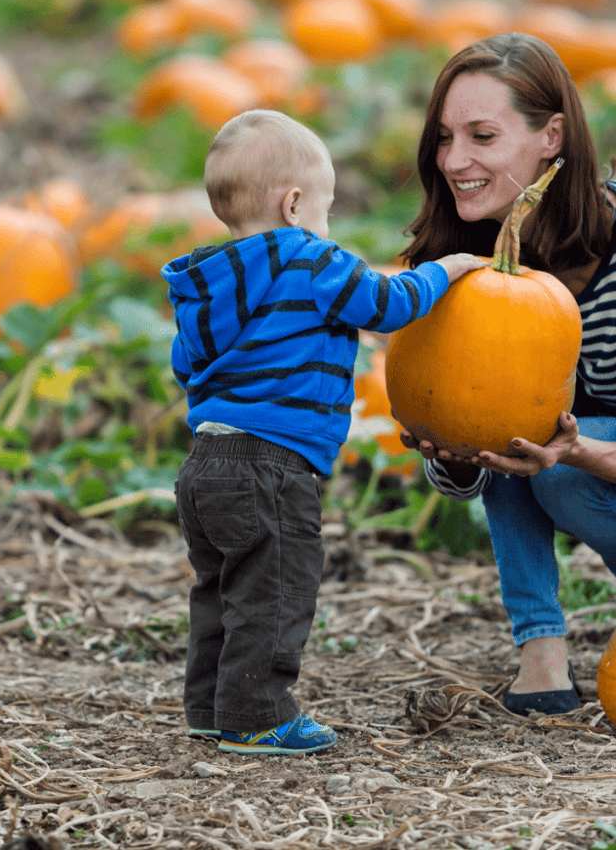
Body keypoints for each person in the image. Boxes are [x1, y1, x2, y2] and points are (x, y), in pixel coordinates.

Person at [161, 109, 484, 755]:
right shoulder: (309, 259)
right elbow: (386, 307)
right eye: (326, 211)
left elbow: (182, 365)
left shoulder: (207, 282)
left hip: (207, 463)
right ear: (295, 203)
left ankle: (209, 707)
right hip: (272, 463)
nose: (327, 226)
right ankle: (257, 717)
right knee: (276, 589)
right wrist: (446, 270)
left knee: (221, 591)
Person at [397, 31, 616, 716]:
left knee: (552, 457)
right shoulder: (454, 265)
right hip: (560, 459)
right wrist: (455, 456)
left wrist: (578, 450)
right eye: (443, 138)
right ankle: (540, 650)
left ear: (552, 136)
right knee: (508, 430)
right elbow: (463, 458)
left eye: (482, 137)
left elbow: (566, 453)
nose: (454, 160)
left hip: (595, 467)